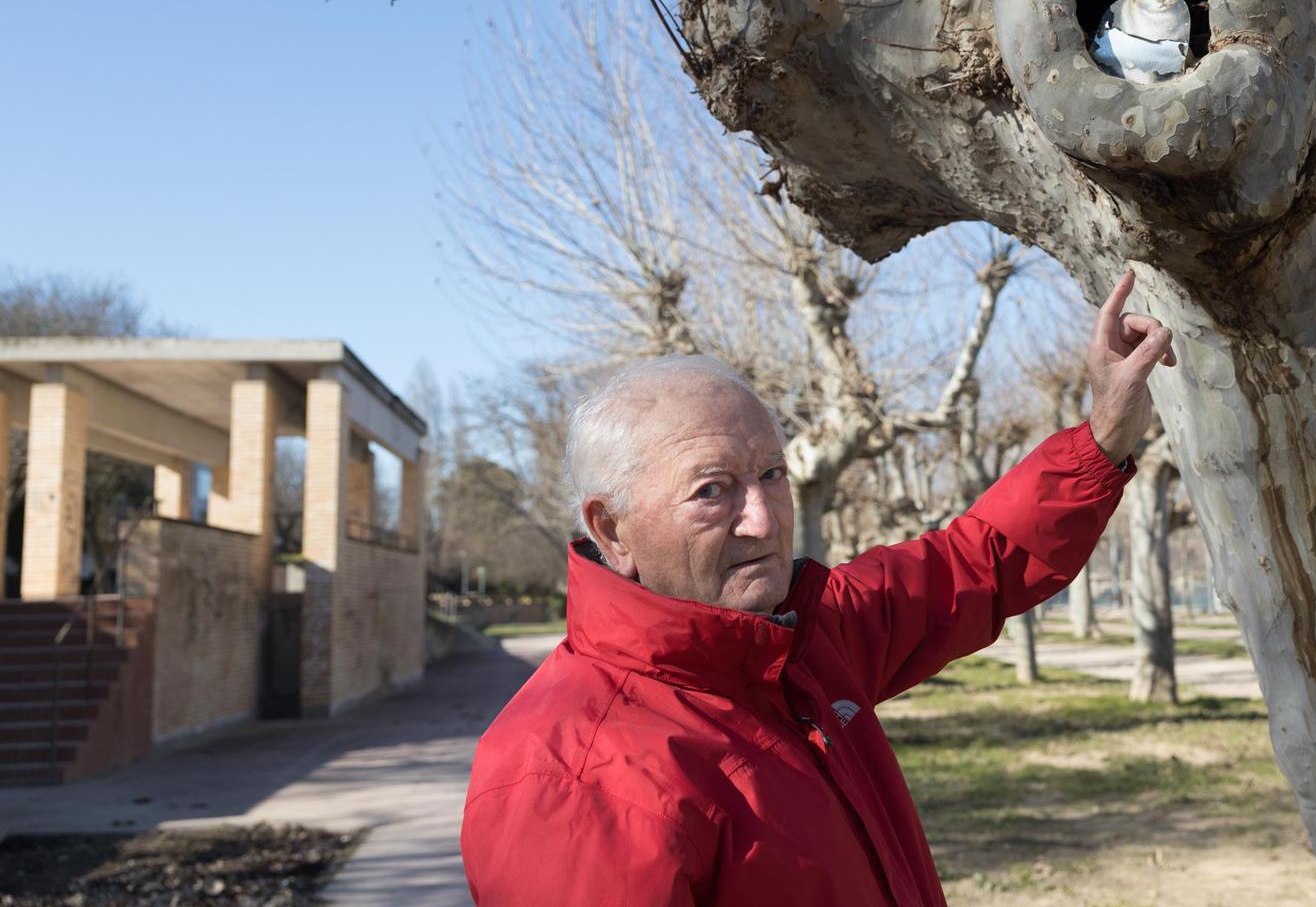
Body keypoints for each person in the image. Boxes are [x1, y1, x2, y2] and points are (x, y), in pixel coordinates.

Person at [461, 271, 1177, 905]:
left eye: (772, 475)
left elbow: (975, 562)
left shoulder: (803, 639)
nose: (763, 519)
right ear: (612, 530)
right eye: (712, 491)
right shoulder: (571, 776)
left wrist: (1103, 436)